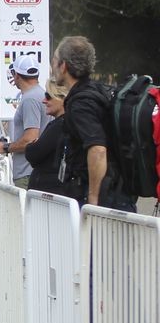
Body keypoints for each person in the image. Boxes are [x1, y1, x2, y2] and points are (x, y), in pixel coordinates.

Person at [52, 35, 135, 211]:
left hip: (104, 199)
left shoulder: (81, 103)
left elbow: (97, 149)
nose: (52, 67)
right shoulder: (98, 91)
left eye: (54, 60)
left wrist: (93, 198)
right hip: (117, 192)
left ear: (64, 66)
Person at [0, 55, 49, 188]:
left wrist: (5, 147)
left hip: (27, 172)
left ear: (16, 75)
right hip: (35, 170)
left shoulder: (30, 99)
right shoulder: (40, 94)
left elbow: (30, 139)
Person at [25, 82, 72, 197]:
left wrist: (31, 146)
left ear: (63, 99)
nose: (44, 101)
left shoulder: (59, 125)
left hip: (50, 195)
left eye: (48, 96)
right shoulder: (63, 123)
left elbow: (34, 153)